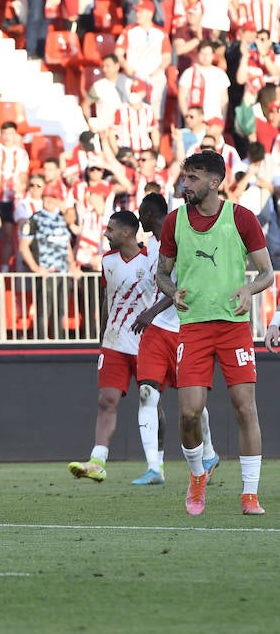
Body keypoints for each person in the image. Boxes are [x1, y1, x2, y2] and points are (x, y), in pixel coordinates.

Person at [156, 151, 274, 516]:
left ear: (214, 181)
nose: (184, 184)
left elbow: (267, 273)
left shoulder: (242, 218)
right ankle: (197, 477)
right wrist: (171, 291)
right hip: (192, 330)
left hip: (234, 330)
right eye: (183, 177)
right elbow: (161, 273)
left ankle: (250, 494)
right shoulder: (174, 222)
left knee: (245, 409)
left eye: (192, 178)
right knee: (189, 414)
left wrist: (247, 290)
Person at [131, 192, 219, 487]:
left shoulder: (179, 241)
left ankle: (208, 452)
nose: (139, 218)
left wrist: (149, 312)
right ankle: (154, 468)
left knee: (191, 402)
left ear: (151, 215)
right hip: (156, 333)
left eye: (142, 213)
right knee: (147, 394)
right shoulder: (151, 245)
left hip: (183, 329)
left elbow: (183, 286)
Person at [65, 210, 156, 484]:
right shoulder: (107, 261)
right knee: (106, 401)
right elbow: (108, 298)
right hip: (114, 343)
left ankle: (156, 463)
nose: (105, 234)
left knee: (152, 403)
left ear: (127, 232)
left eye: (110, 229)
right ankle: (97, 461)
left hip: (146, 344)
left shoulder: (151, 260)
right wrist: (102, 334)